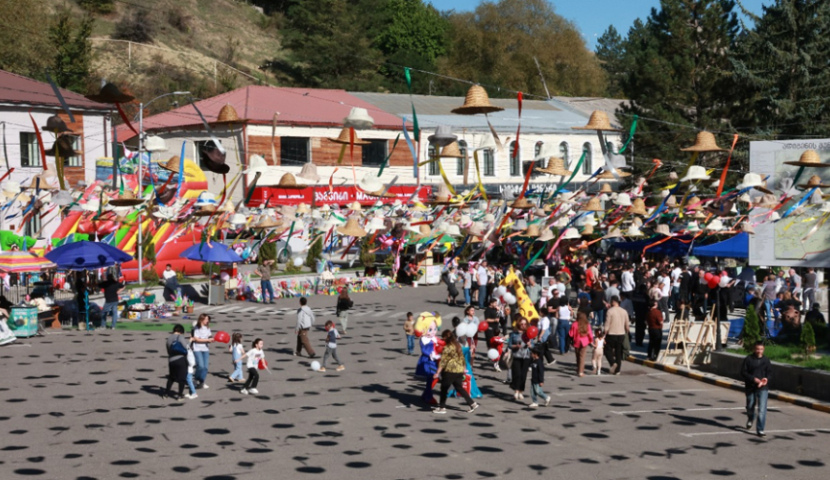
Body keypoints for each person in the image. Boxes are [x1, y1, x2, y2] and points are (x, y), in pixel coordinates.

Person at [433, 330, 480, 414]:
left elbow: (443, 361)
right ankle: (472, 403)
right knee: (459, 388)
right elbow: (462, 357)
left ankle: (442, 408)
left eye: (443, 337)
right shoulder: (457, 345)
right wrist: (464, 368)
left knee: (444, 389)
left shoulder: (447, 347)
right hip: (459, 370)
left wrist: (437, 372)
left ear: (446, 338)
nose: (442, 339)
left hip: (450, 371)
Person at [741, 341, 772, 437]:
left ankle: (760, 429)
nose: (759, 351)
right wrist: (753, 379)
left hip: (763, 387)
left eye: (761, 349)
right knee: (750, 406)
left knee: (762, 409)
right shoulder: (748, 359)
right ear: (754, 349)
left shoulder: (766, 360)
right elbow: (743, 372)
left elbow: (770, 373)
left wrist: (766, 379)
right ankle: (751, 418)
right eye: (757, 349)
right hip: (751, 386)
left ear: (764, 349)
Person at [604, 296, 630, 375]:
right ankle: (617, 370)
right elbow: (627, 325)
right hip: (621, 334)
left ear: (613, 302)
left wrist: (604, 334)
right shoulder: (624, 311)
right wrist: (627, 333)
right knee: (618, 352)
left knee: (607, 350)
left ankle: (612, 363)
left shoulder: (610, 311)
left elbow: (607, 325)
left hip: (611, 333)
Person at [509, 318, 532, 401]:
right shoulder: (514, 334)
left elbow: (533, 345)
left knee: (523, 375)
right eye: (521, 324)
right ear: (518, 324)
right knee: (517, 374)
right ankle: (516, 391)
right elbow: (509, 345)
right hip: (516, 356)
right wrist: (515, 346)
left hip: (526, 356)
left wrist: (530, 345)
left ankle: (521, 391)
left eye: (525, 324)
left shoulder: (529, 333)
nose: (523, 326)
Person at [163, 324, 188, 400]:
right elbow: (186, 347)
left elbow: (168, 351)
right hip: (180, 359)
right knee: (182, 379)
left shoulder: (169, 339)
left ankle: (166, 394)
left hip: (171, 360)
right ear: (181, 331)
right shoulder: (180, 337)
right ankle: (179, 395)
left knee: (171, 377)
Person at [191, 314, 214, 389]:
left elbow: (209, 336)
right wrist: (207, 340)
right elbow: (196, 339)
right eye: (206, 319)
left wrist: (211, 339)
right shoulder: (197, 328)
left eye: (208, 319)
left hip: (205, 349)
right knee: (200, 366)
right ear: (201, 320)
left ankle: (202, 381)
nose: (207, 321)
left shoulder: (207, 328)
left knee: (205, 368)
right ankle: (195, 379)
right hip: (197, 349)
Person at [569, 311, 594, 377]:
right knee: (582, 357)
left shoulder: (574, 324)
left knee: (577, 356)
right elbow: (590, 334)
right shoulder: (587, 324)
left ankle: (578, 368)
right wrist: (591, 341)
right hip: (584, 342)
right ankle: (581, 371)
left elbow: (570, 334)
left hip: (576, 341)